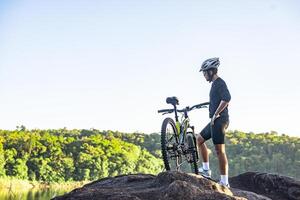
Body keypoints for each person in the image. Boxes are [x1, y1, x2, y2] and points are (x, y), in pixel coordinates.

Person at [196, 57, 231, 187]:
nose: (204, 75)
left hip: (220, 121)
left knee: (219, 151)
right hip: (214, 121)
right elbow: (218, 100)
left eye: (204, 72)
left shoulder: (220, 83)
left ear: (211, 71)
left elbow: (227, 98)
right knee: (199, 139)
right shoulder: (214, 85)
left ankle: (224, 182)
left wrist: (216, 113)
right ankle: (206, 170)